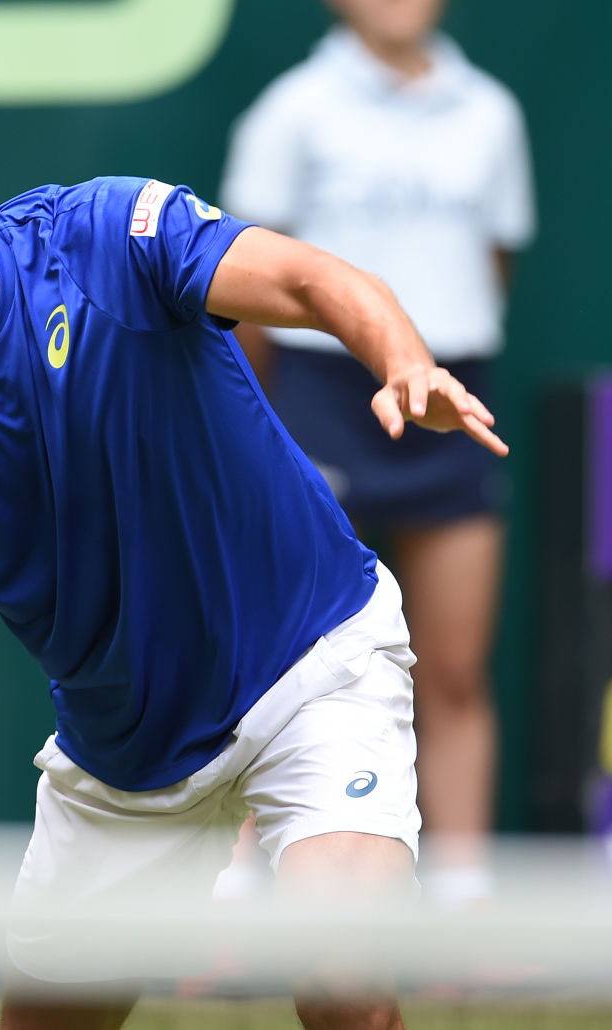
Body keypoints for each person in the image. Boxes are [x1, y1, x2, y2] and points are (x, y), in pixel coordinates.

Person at [0, 50, 506, 1030]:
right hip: (126, 754)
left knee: (343, 979)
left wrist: (400, 354)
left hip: (314, 664)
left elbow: (307, 278)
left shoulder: (105, 236)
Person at [219, 0, 535, 909]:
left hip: (453, 397)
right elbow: (248, 284)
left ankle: (462, 904)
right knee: (285, 665)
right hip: (322, 401)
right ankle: (236, 901)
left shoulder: (491, 114)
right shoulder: (291, 111)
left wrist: (429, 364)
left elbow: (493, 262)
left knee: (456, 666)